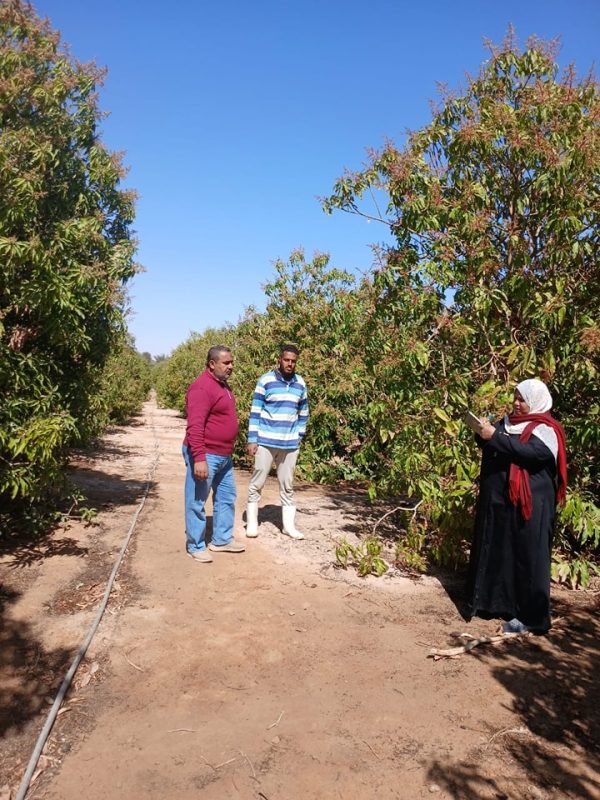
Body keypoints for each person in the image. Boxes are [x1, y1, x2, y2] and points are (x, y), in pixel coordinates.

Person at [467, 378, 567, 634]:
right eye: (515, 397)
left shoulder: (547, 428)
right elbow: (494, 443)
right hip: (501, 503)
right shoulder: (508, 423)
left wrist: (495, 437)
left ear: (535, 401)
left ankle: (533, 618)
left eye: (522, 399)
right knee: (501, 549)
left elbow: (533, 453)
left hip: (530, 505)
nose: (516, 403)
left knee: (528, 557)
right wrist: (483, 432)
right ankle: (495, 603)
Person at [182, 345, 245, 563]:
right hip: (206, 453)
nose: (231, 367)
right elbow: (195, 426)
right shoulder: (201, 388)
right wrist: (199, 457)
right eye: (226, 363)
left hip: (223, 455)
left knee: (227, 497)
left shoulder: (222, 386)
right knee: (197, 500)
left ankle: (222, 539)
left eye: (231, 362)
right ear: (212, 364)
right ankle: (196, 545)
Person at [245, 344, 309, 540]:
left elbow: (304, 412)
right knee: (257, 482)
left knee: (287, 485)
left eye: (293, 361)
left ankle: (288, 527)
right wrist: (252, 439)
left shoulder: (300, 383)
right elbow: (255, 411)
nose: (289, 364)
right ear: (279, 359)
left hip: (289, 444)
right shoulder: (266, 380)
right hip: (265, 441)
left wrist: (299, 435)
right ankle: (252, 523)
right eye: (286, 360)